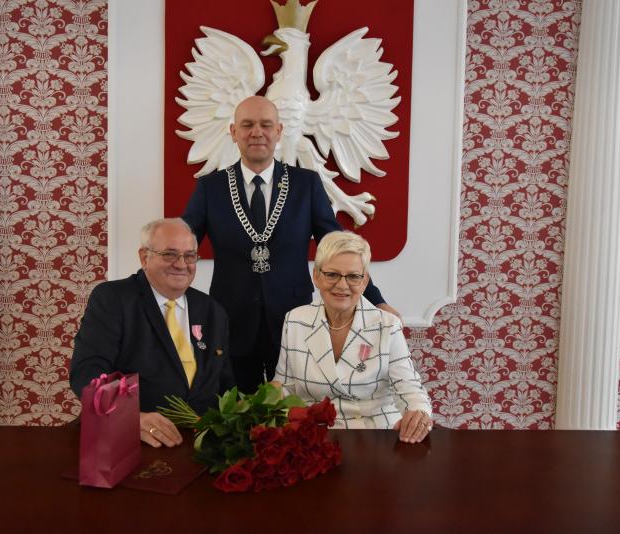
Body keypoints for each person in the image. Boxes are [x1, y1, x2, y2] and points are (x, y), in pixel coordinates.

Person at [182, 95, 399, 393]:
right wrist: (155, 295)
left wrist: (376, 300)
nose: (256, 132)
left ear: (279, 131)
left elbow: (339, 248)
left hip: (294, 321)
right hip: (231, 320)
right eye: (247, 125)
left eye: (265, 125)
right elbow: (181, 247)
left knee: (292, 413)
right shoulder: (211, 187)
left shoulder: (306, 184)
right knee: (234, 412)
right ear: (233, 132)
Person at [70, 218, 234, 448]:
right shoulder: (113, 299)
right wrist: (128, 418)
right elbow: (87, 372)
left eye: (189, 256)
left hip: (199, 446)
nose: (181, 264)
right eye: (169, 254)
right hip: (129, 443)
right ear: (144, 257)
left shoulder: (212, 311)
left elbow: (225, 386)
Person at [272, 231, 432, 443]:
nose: (342, 285)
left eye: (353, 276)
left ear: (364, 281)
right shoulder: (295, 320)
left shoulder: (388, 325)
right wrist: (257, 411)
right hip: (314, 435)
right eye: (332, 274)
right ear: (316, 276)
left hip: (376, 435)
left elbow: (409, 388)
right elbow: (284, 387)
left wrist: (419, 413)